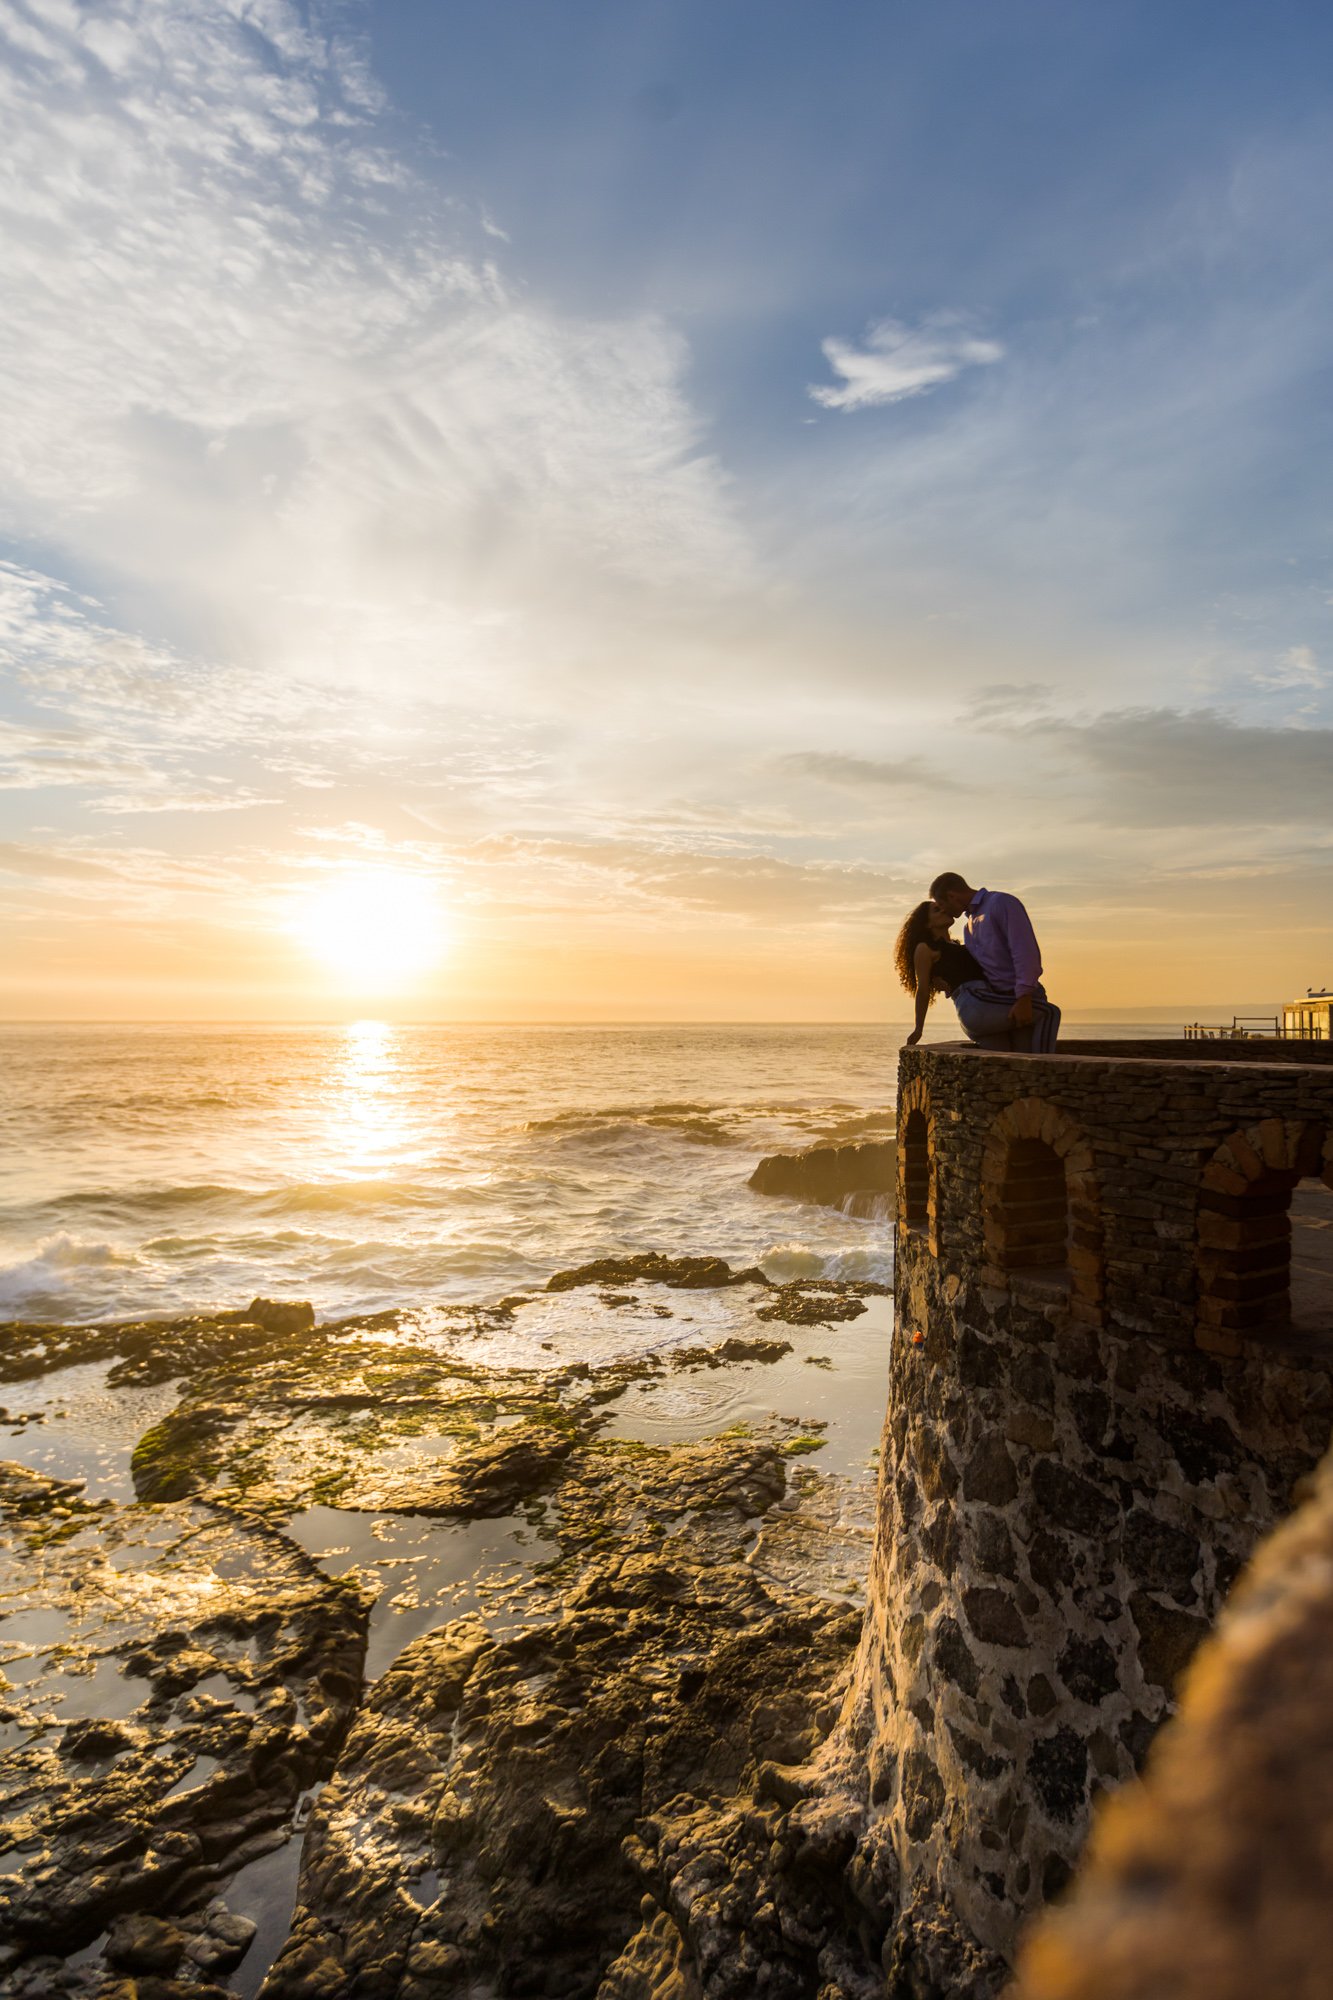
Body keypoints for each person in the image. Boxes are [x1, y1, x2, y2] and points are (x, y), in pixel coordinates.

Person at [927, 872, 1061, 1053]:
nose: (944, 911)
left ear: (952, 896)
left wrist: (1024, 997)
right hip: (999, 1000)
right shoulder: (968, 927)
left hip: (1023, 997)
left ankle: (1049, 1075)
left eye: (942, 905)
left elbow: (1024, 952)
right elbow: (975, 967)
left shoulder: (1001, 903)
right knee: (1014, 1062)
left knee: (1033, 1055)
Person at [895, 900, 988, 1046]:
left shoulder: (958, 945)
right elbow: (923, 989)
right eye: (937, 910)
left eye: (942, 907)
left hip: (986, 999)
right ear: (928, 924)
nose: (944, 910)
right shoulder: (925, 948)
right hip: (974, 1006)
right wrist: (919, 1029)